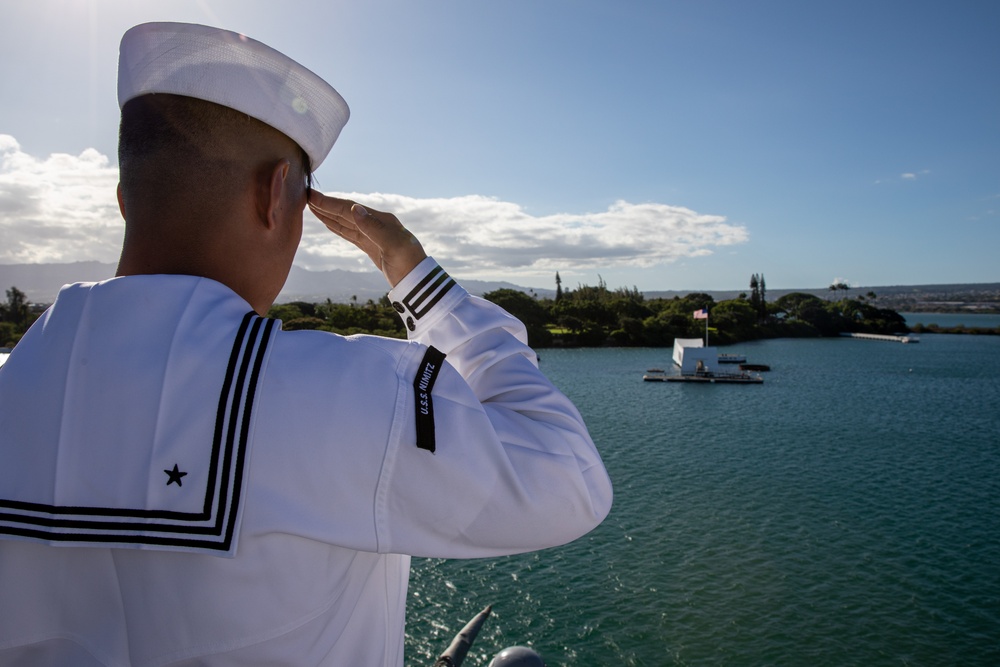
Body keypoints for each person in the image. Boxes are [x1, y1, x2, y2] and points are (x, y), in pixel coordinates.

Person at [0, 21, 612, 667]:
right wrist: (422, 281)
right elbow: (568, 475)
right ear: (274, 197)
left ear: (125, 201)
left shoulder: (15, 380)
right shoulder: (337, 396)